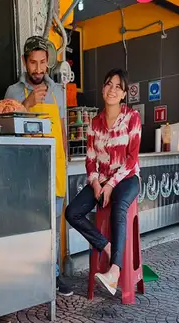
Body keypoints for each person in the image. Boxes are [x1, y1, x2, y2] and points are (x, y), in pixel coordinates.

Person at [64, 69, 142, 297]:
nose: (112, 89)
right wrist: (97, 185)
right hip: (103, 180)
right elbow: (90, 161)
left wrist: (110, 185)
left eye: (118, 86)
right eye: (109, 84)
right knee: (73, 212)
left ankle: (115, 271)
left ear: (124, 93)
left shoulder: (132, 118)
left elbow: (132, 159)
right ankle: (106, 246)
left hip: (127, 178)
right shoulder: (94, 124)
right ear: (102, 89)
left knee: (119, 206)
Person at [5, 37, 73, 297]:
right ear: (24, 62)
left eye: (42, 63)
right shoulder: (13, 92)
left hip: (54, 170)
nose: (38, 69)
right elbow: (5, 128)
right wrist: (28, 103)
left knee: (53, 230)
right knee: (28, 226)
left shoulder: (58, 91)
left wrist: (64, 164)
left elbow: (63, 129)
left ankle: (53, 276)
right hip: (26, 174)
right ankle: (27, 278)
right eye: (33, 63)